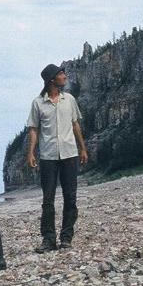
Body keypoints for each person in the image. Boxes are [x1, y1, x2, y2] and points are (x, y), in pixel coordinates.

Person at [26, 63, 88, 252]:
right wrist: (31, 152)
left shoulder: (69, 99)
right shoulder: (38, 103)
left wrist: (83, 149)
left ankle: (66, 238)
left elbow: (76, 125)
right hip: (48, 156)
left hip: (70, 154)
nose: (65, 76)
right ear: (52, 80)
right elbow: (34, 129)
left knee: (70, 197)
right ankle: (48, 239)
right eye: (61, 74)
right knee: (48, 200)